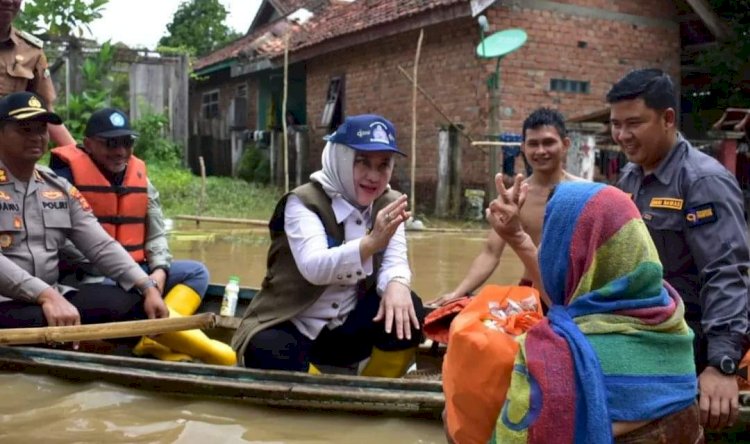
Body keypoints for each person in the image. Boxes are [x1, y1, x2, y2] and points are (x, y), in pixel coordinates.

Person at [487, 177, 701, 443]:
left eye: (550, 237)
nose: (542, 248)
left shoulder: (552, 356)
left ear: (574, 257)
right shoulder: (671, 325)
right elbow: (571, 302)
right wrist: (518, 238)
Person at [609, 68, 750, 430]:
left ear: (668, 118)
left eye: (634, 123)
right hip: (644, 338)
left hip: (691, 346)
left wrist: (721, 365)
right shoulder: (630, 177)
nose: (622, 135)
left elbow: (726, 272)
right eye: (616, 124)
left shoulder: (703, 181)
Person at [232, 114, 424, 376]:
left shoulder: (389, 202)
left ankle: (373, 387)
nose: (373, 176)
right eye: (362, 162)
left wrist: (397, 283)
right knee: (268, 350)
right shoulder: (303, 202)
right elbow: (315, 267)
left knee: (409, 309)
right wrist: (370, 243)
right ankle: (317, 385)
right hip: (293, 322)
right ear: (342, 159)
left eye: (383, 165)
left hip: (346, 327)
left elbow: (395, 260)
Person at [47, 108, 229, 364]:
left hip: (139, 270)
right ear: (88, 145)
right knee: (125, 295)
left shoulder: (140, 177)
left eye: (126, 143)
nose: (120, 151)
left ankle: (150, 338)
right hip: (92, 274)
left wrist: (159, 271)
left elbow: (155, 233)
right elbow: (64, 243)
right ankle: (204, 348)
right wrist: (132, 276)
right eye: (110, 143)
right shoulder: (62, 181)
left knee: (196, 272)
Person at [0, 91, 168, 332]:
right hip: (9, 302)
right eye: (25, 129)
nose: (36, 137)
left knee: (136, 304)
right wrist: (46, 295)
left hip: (51, 298)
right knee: (42, 320)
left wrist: (146, 285)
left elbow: (100, 245)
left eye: (41, 129)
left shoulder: (57, 187)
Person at [429, 108, 580, 307]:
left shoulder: (584, 192)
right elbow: (490, 253)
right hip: (531, 292)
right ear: (523, 148)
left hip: (575, 292)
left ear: (565, 144)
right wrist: (458, 292)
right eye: (533, 144)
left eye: (549, 142)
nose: (541, 151)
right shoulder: (512, 199)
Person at [0, 0, 75, 146]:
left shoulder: (31, 51)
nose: (9, 1)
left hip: (9, 157)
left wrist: (77, 156)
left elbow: (44, 108)